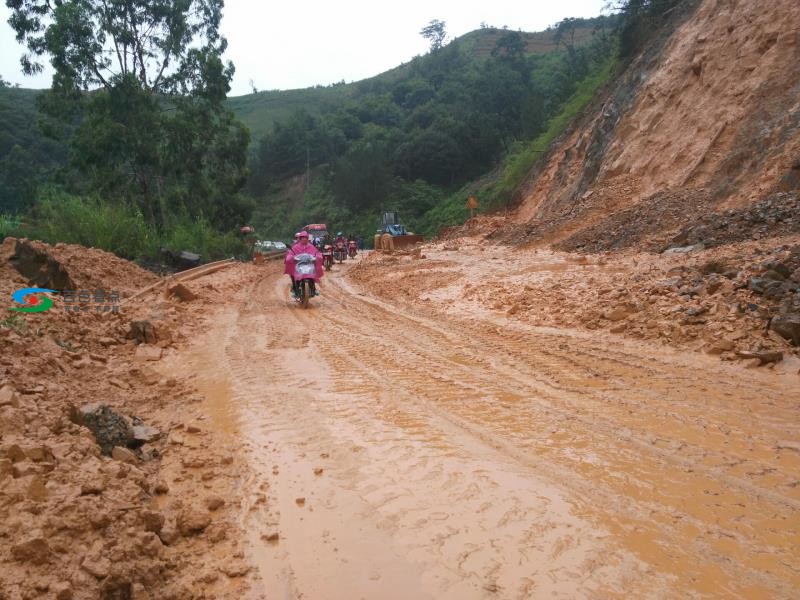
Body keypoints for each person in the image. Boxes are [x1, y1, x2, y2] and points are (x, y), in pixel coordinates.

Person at [285, 231, 323, 298]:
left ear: (307, 238)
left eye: (305, 237)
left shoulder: (311, 247)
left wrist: (317, 257)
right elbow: (290, 254)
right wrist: (291, 258)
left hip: (308, 265)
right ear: (300, 238)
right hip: (298, 265)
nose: (304, 239)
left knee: (313, 274)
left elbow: (317, 253)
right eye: (302, 237)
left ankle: (313, 289)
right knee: (293, 276)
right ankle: (295, 290)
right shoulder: (295, 247)